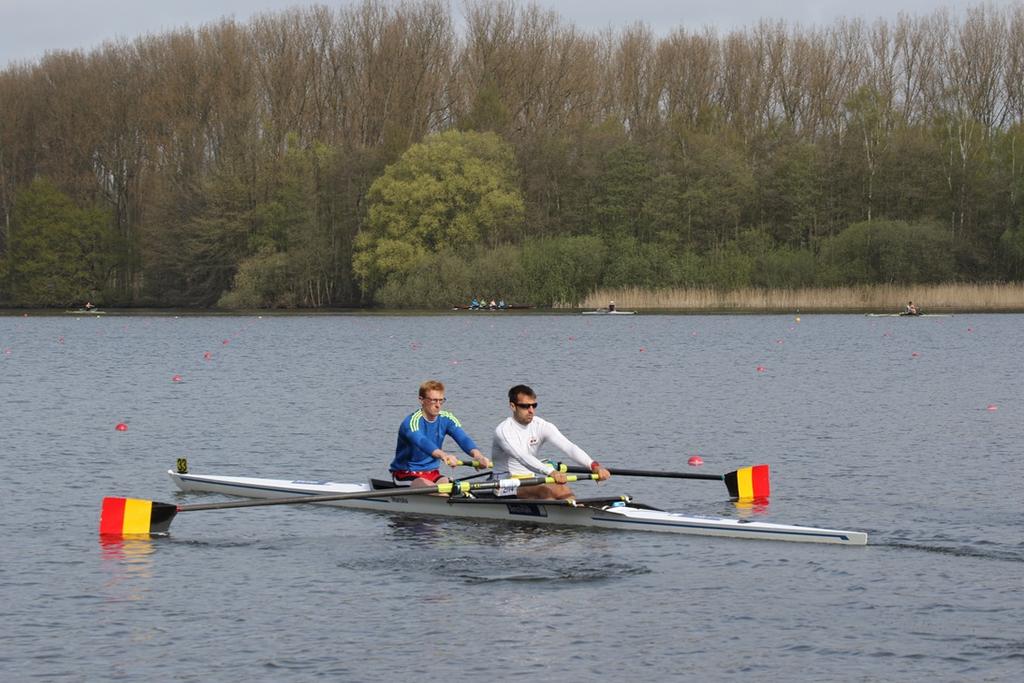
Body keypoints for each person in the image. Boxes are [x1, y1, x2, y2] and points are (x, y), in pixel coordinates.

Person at [491, 384, 611, 500]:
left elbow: (569, 447)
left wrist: (594, 466)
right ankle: (563, 517)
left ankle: (576, 513)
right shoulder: (504, 431)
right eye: (525, 406)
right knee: (545, 492)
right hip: (504, 484)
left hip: (531, 478)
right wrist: (551, 472)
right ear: (513, 406)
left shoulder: (541, 425)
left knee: (563, 490)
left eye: (534, 405)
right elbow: (523, 457)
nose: (531, 410)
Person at [389, 380, 491, 487]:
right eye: (433, 401)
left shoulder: (446, 418)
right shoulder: (411, 422)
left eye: (441, 401)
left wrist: (478, 456)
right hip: (406, 474)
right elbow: (422, 442)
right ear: (421, 400)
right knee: (437, 491)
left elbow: (463, 438)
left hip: (433, 474)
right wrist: (444, 456)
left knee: (456, 489)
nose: (438, 405)